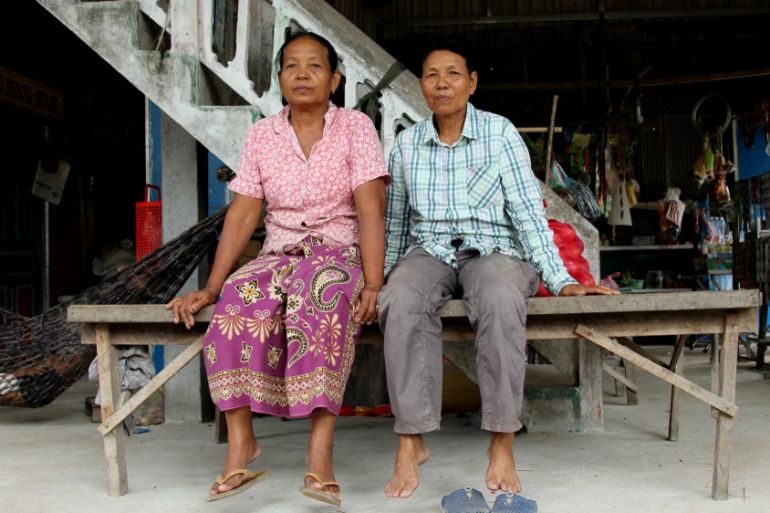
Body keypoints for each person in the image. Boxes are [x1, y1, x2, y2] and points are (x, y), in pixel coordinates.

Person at [379, 40, 618, 500]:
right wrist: (381, 279)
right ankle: (410, 440)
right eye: (432, 75)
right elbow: (395, 224)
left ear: (471, 83)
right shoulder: (407, 145)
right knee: (400, 297)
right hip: (430, 251)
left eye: (453, 74)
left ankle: (503, 440)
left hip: (496, 251)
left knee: (498, 296)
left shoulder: (499, 133)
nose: (442, 83)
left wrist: (561, 281)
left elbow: (528, 214)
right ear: (422, 85)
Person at [166, 31, 388, 506]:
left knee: (318, 302)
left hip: (337, 254)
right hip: (279, 255)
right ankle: (241, 443)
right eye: (291, 66)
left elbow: (371, 210)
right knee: (235, 306)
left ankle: (320, 454)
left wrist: (373, 282)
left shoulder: (355, 128)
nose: (302, 74)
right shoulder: (262, 134)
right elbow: (243, 214)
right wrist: (211, 287)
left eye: (314, 66)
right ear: (281, 78)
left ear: (335, 79)